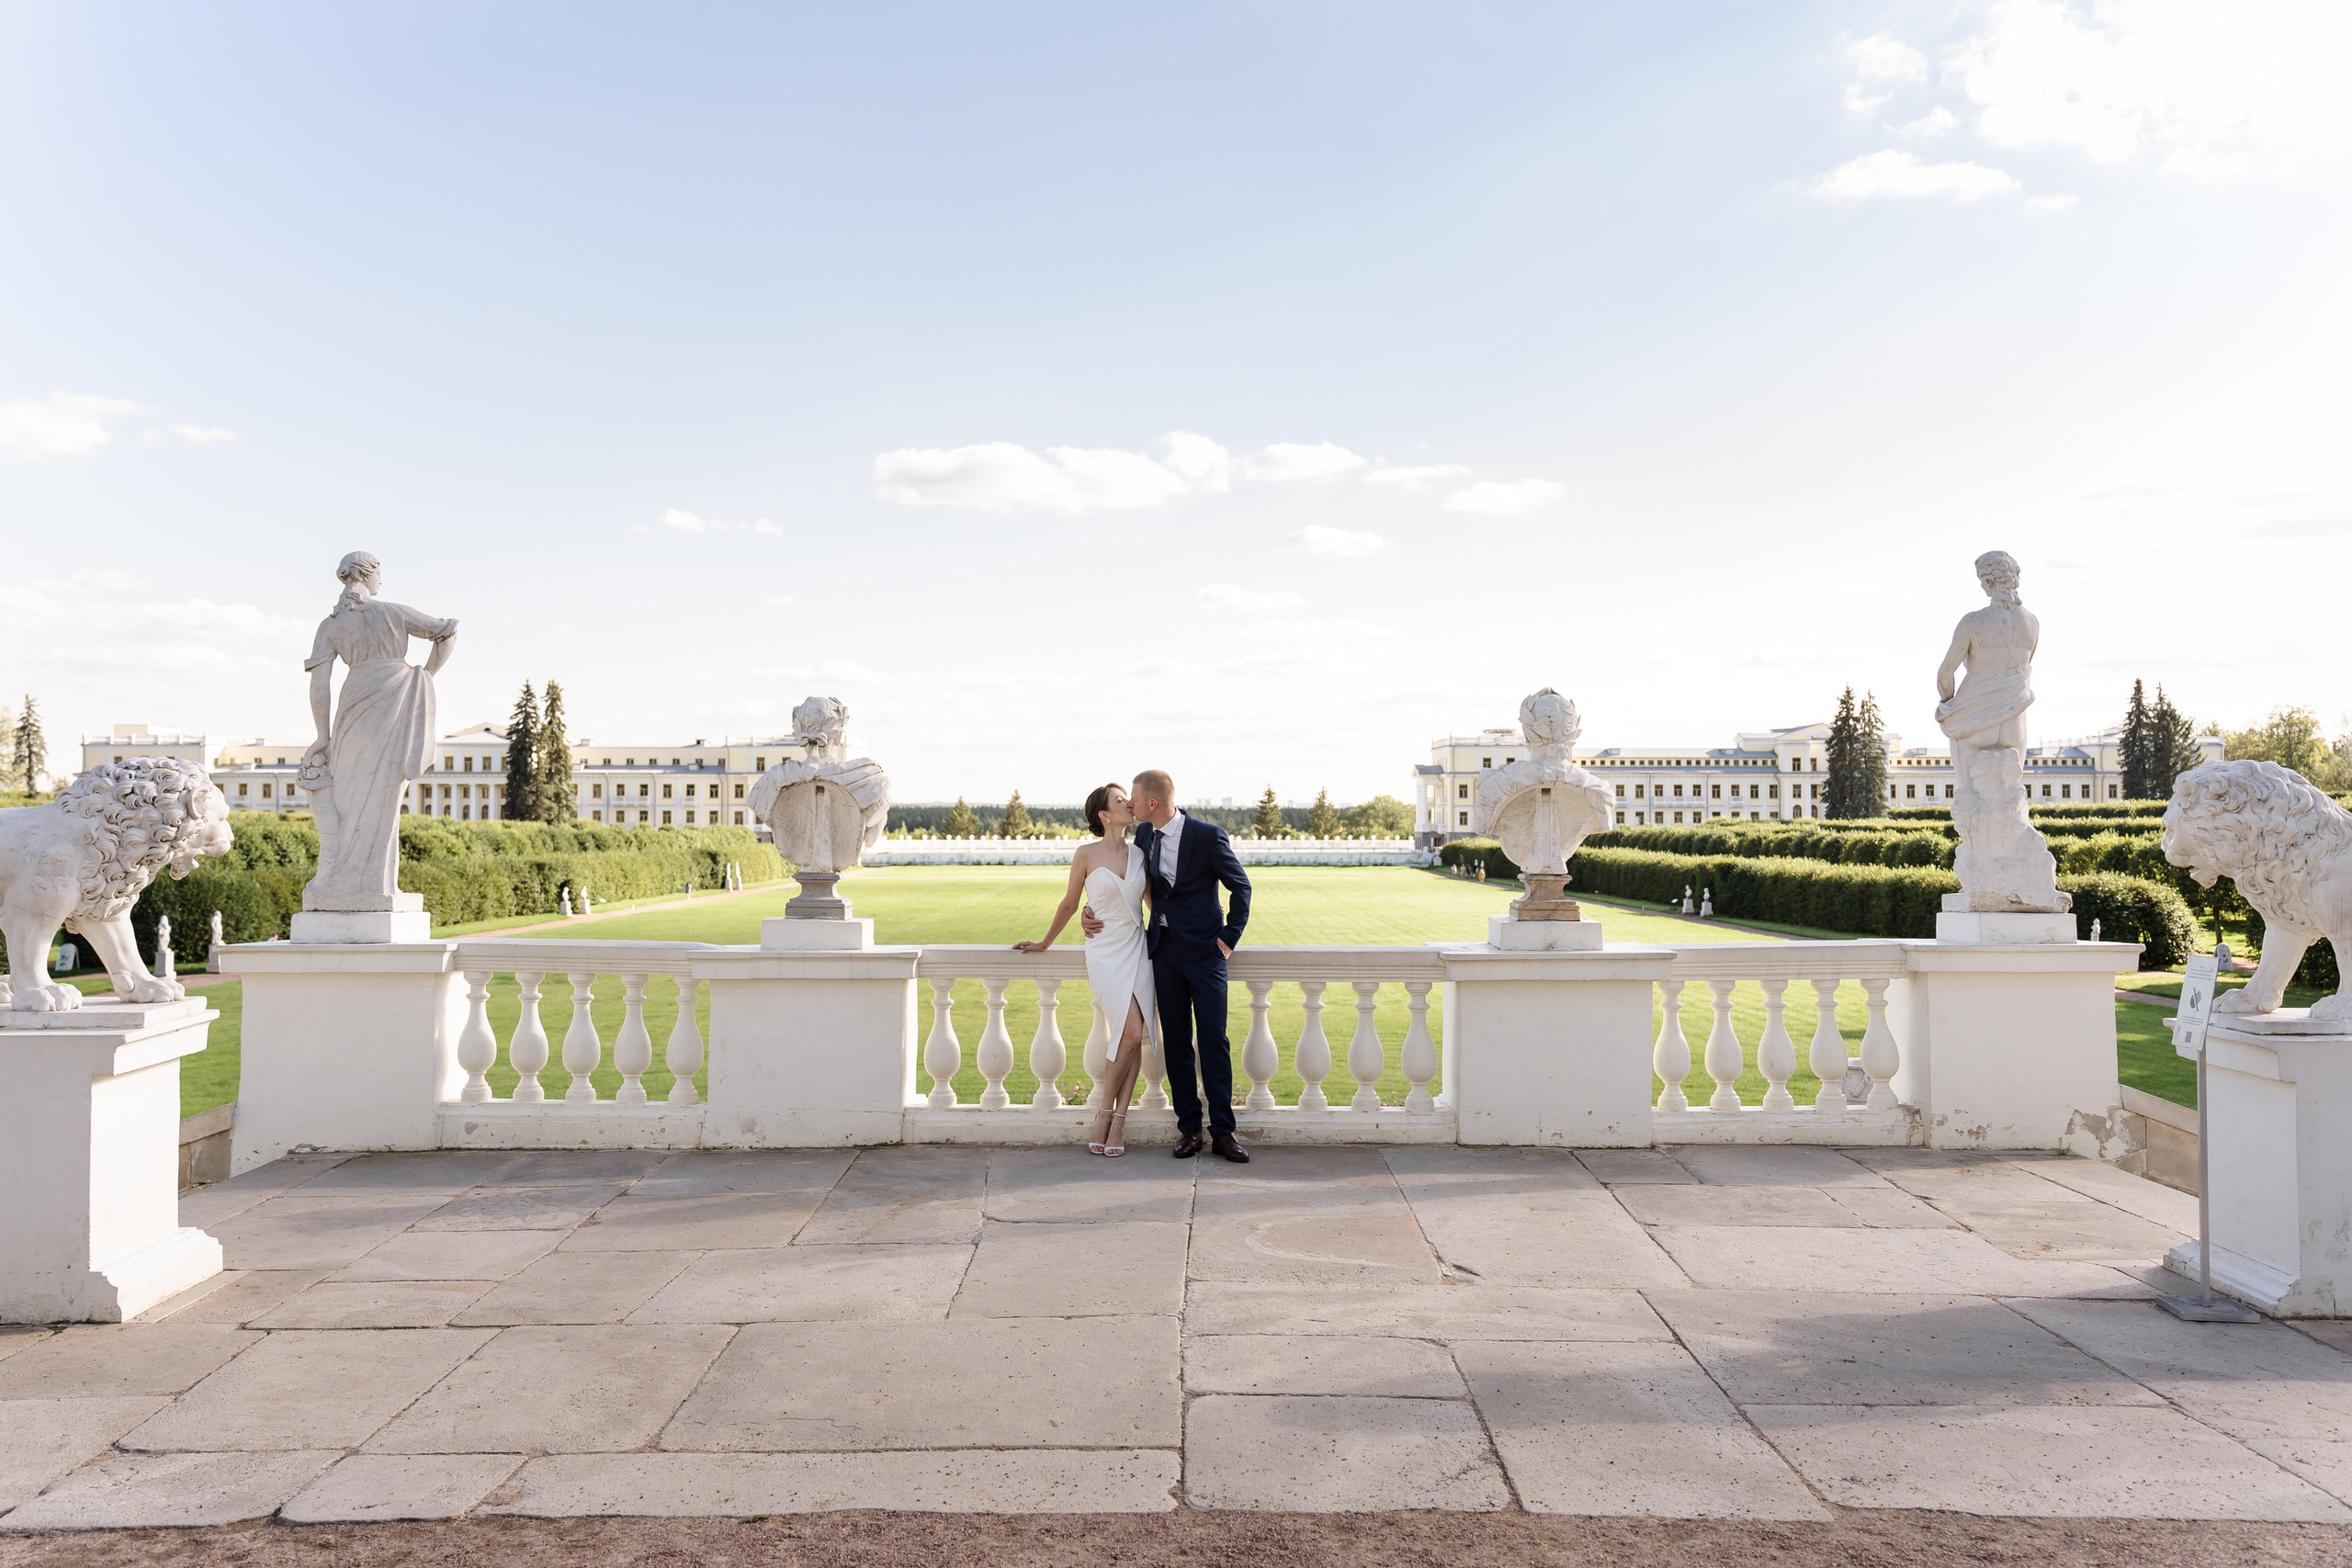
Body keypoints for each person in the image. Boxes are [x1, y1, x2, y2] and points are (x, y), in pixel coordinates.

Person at [1083, 770, 1252, 1163]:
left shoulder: (1208, 836)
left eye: (1135, 800)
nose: (1130, 805)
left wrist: (1228, 938)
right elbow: (1126, 886)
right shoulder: (1143, 837)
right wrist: (1089, 912)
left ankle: (1224, 1133)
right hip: (1162, 952)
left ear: (1152, 804)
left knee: (1213, 1041)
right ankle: (1189, 1130)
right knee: (1176, 1043)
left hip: (1207, 956)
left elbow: (1240, 886)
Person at [299, 552, 457, 908]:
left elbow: (319, 687)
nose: (381, 581)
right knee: (384, 795)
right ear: (369, 575)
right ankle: (375, 886)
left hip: (353, 704)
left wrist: (323, 736)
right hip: (395, 699)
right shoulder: (393, 612)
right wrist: (427, 675)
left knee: (347, 797)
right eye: (380, 574)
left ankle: (350, 882)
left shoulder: (331, 625)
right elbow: (448, 631)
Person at [1016, 784, 1154, 1156]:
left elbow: (1158, 906)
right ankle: (1104, 1114)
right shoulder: (1085, 854)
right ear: (1104, 815)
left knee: (1134, 1033)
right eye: (1120, 800)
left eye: (1128, 798)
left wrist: (1208, 916)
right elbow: (1070, 903)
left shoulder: (1142, 852)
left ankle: (1117, 1120)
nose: (1128, 803)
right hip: (1105, 954)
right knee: (1128, 1032)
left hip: (1138, 949)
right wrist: (1046, 942)